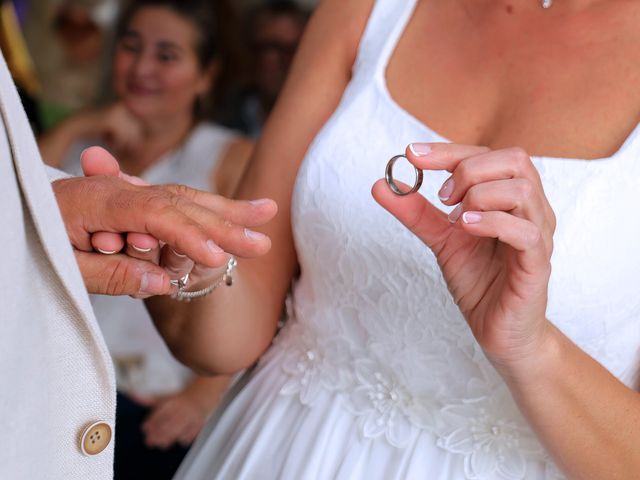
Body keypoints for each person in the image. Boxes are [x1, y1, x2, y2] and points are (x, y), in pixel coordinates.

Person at [133, 0, 640, 478]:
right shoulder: (370, 9)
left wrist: (530, 349)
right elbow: (229, 337)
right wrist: (180, 263)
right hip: (282, 447)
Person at [0, 47, 276, 479]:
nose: (142, 66)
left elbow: (263, 284)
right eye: (131, 46)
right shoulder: (86, 139)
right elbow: (20, 189)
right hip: (49, 380)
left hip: (156, 397)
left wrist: (203, 395)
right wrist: (76, 134)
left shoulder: (230, 154)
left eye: (167, 55)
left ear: (206, 75)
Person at [216, 0, 307, 138]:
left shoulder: (328, 127)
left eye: (296, 48)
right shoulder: (220, 123)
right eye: (273, 48)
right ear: (249, 54)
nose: (287, 60)